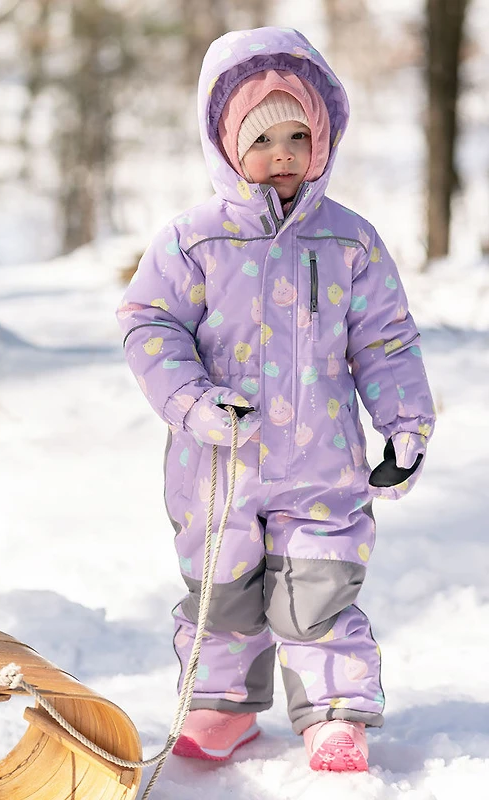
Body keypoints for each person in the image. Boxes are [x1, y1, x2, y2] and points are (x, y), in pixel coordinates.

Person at [116, 26, 435, 773]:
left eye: (299, 136)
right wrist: (193, 401)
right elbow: (149, 325)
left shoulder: (350, 242)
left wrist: (404, 425)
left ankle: (336, 715)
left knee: (317, 590)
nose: (282, 154)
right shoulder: (193, 241)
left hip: (322, 461)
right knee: (222, 592)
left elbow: (387, 338)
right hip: (217, 468)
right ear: (226, 144)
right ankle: (221, 707)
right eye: (262, 139)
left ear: (323, 139)